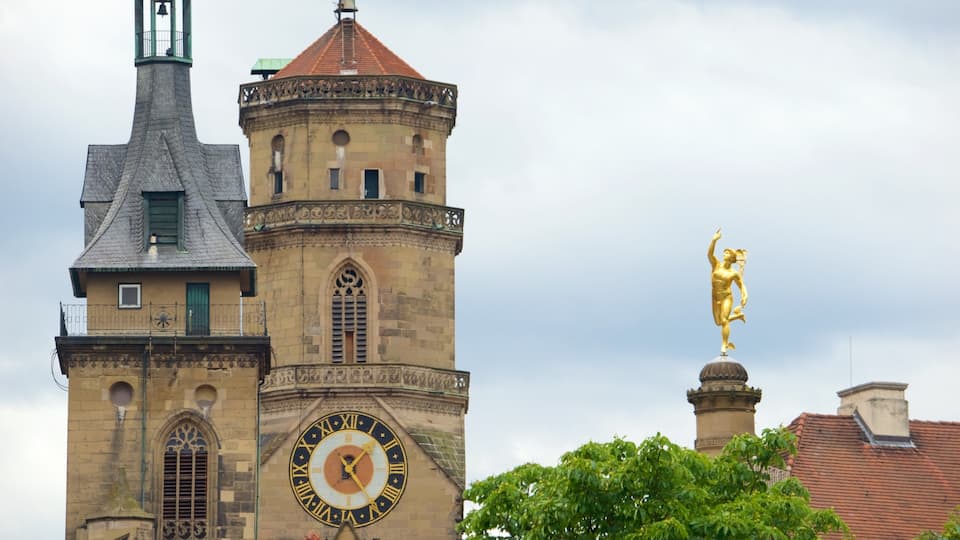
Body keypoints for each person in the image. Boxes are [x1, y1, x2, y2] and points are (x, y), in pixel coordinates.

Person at [708, 229, 748, 355]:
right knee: (718, 322)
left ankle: (724, 346)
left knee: (724, 320)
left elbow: (741, 284)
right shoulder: (716, 265)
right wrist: (714, 240)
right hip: (715, 297)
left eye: (726, 253)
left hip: (726, 297)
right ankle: (738, 316)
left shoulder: (733, 273)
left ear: (731, 258)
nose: (724, 254)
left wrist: (744, 294)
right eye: (724, 253)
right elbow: (709, 254)